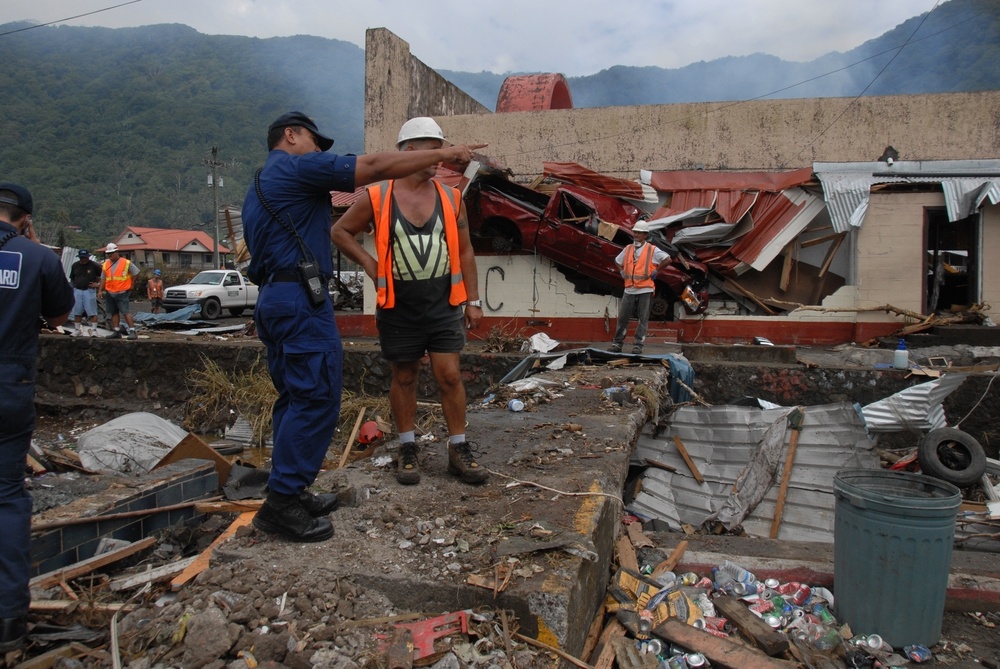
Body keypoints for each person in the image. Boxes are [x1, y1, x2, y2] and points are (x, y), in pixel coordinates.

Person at [242, 111, 485, 543]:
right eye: (315, 142)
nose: (319, 151)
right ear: (291, 135)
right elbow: (370, 169)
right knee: (316, 397)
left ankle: (291, 491)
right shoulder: (296, 169)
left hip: (279, 298)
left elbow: (463, 249)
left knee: (294, 398)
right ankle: (281, 503)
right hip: (299, 302)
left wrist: (472, 298)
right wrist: (451, 153)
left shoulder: (261, 184)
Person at [332, 117, 488, 488]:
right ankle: (407, 447)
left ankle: (458, 448)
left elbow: (465, 251)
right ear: (408, 153)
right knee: (404, 375)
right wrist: (370, 264)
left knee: (449, 375)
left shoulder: (451, 199)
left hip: (443, 303)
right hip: (398, 306)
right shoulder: (377, 196)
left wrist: (473, 299)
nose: (440, 156)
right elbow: (339, 231)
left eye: (442, 147)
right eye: (432, 148)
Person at [0, 183, 73, 653]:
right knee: (7, 496)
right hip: (9, 387)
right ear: (25, 218)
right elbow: (60, 310)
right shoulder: (38, 256)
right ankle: (8, 620)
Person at [610, 220, 672, 354]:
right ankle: (617, 343)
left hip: (645, 288)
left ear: (645, 235)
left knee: (642, 319)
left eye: (639, 233)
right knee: (623, 318)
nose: (636, 235)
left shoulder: (652, 250)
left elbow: (667, 259)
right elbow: (617, 261)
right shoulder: (628, 249)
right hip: (629, 288)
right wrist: (621, 271)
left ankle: (638, 345)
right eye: (635, 232)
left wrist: (657, 271)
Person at [97, 242, 139, 340]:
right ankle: (116, 331)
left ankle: (132, 331)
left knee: (125, 312)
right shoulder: (106, 264)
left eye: (111, 253)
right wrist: (100, 290)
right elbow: (103, 278)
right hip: (110, 292)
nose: (110, 255)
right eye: (108, 254)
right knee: (113, 312)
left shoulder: (126, 262)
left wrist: (132, 285)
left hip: (122, 291)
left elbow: (136, 272)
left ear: (117, 252)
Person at [68, 249, 101, 336]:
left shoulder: (95, 265)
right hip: (78, 290)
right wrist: (73, 287)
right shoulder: (75, 265)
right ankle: (77, 329)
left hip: (89, 290)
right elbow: (72, 277)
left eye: (85, 257)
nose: (84, 259)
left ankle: (94, 330)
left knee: (92, 311)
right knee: (77, 311)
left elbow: (104, 276)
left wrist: (98, 284)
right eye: (82, 258)